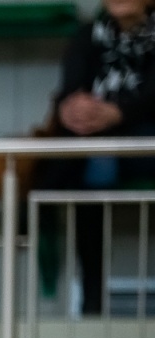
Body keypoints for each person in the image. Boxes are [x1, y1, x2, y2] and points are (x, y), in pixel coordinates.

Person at [37, 0, 155, 313]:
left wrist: (118, 111)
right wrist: (72, 109)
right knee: (91, 163)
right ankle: (91, 297)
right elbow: (69, 90)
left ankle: (36, 208)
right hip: (96, 143)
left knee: (91, 161)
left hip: (145, 141)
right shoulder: (89, 35)